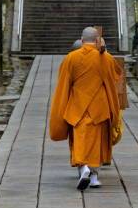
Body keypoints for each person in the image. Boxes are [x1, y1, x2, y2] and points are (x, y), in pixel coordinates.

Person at [49, 27, 122, 190]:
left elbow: (64, 83)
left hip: (78, 106)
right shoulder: (106, 58)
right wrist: (103, 50)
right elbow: (117, 75)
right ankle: (94, 176)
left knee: (79, 139)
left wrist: (60, 108)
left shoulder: (71, 58)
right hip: (99, 107)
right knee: (98, 142)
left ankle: (84, 169)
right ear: (97, 40)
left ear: (82, 41)